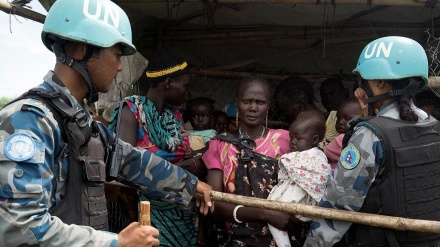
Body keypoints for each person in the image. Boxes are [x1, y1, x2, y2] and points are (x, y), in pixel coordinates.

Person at [0, 0, 213, 246]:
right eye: (117, 54)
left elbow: (131, 160)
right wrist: (116, 243)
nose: (121, 66)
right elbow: (18, 228)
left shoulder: (80, 123)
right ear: (82, 49)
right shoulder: (31, 120)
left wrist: (191, 185)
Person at [304, 36, 440, 246]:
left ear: (379, 82)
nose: (360, 87)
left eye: (363, 80)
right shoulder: (434, 126)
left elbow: (339, 203)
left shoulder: (370, 135)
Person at [108, 51, 207, 246]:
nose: (188, 93)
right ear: (168, 84)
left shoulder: (174, 117)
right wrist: (183, 167)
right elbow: (123, 167)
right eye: (185, 86)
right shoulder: (131, 110)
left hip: (182, 212)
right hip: (144, 213)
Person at [203, 75, 294, 246]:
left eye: (260, 102)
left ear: (268, 106)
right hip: (233, 237)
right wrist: (264, 214)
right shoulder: (219, 145)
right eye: (247, 101)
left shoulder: (286, 140)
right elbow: (214, 202)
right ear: (237, 103)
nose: (253, 107)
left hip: (278, 237)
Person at [267, 110, 331, 247]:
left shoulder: (313, 156)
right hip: (297, 202)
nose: (293, 142)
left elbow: (288, 163)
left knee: (273, 220)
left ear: (314, 140)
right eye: (291, 138)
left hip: (295, 199)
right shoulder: (315, 155)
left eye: (298, 138)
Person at [324, 98, 362, 169]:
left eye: (347, 118)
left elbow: (324, 152)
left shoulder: (341, 139)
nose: (340, 122)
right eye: (338, 118)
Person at [320, 77, 349, 143]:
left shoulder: (355, 116)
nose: (328, 99)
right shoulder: (321, 120)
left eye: (332, 94)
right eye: (324, 96)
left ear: (344, 93)